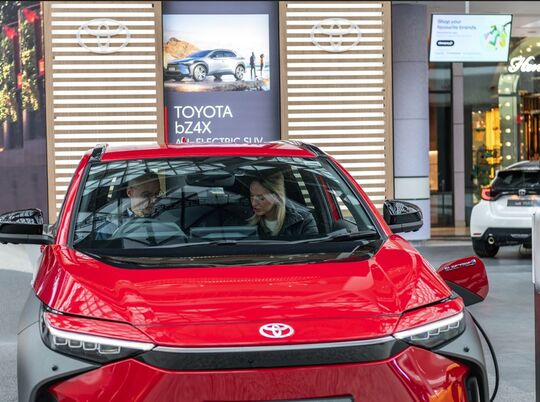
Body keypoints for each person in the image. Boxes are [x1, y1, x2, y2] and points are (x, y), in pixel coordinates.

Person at [248, 172, 318, 239]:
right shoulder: (244, 223)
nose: (254, 203)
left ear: (277, 197)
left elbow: (311, 248)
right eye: (252, 196)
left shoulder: (303, 221)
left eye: (261, 198)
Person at [94, 171, 161, 239]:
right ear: (130, 193)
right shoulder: (112, 226)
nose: (154, 200)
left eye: (156, 194)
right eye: (146, 195)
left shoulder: (167, 215)